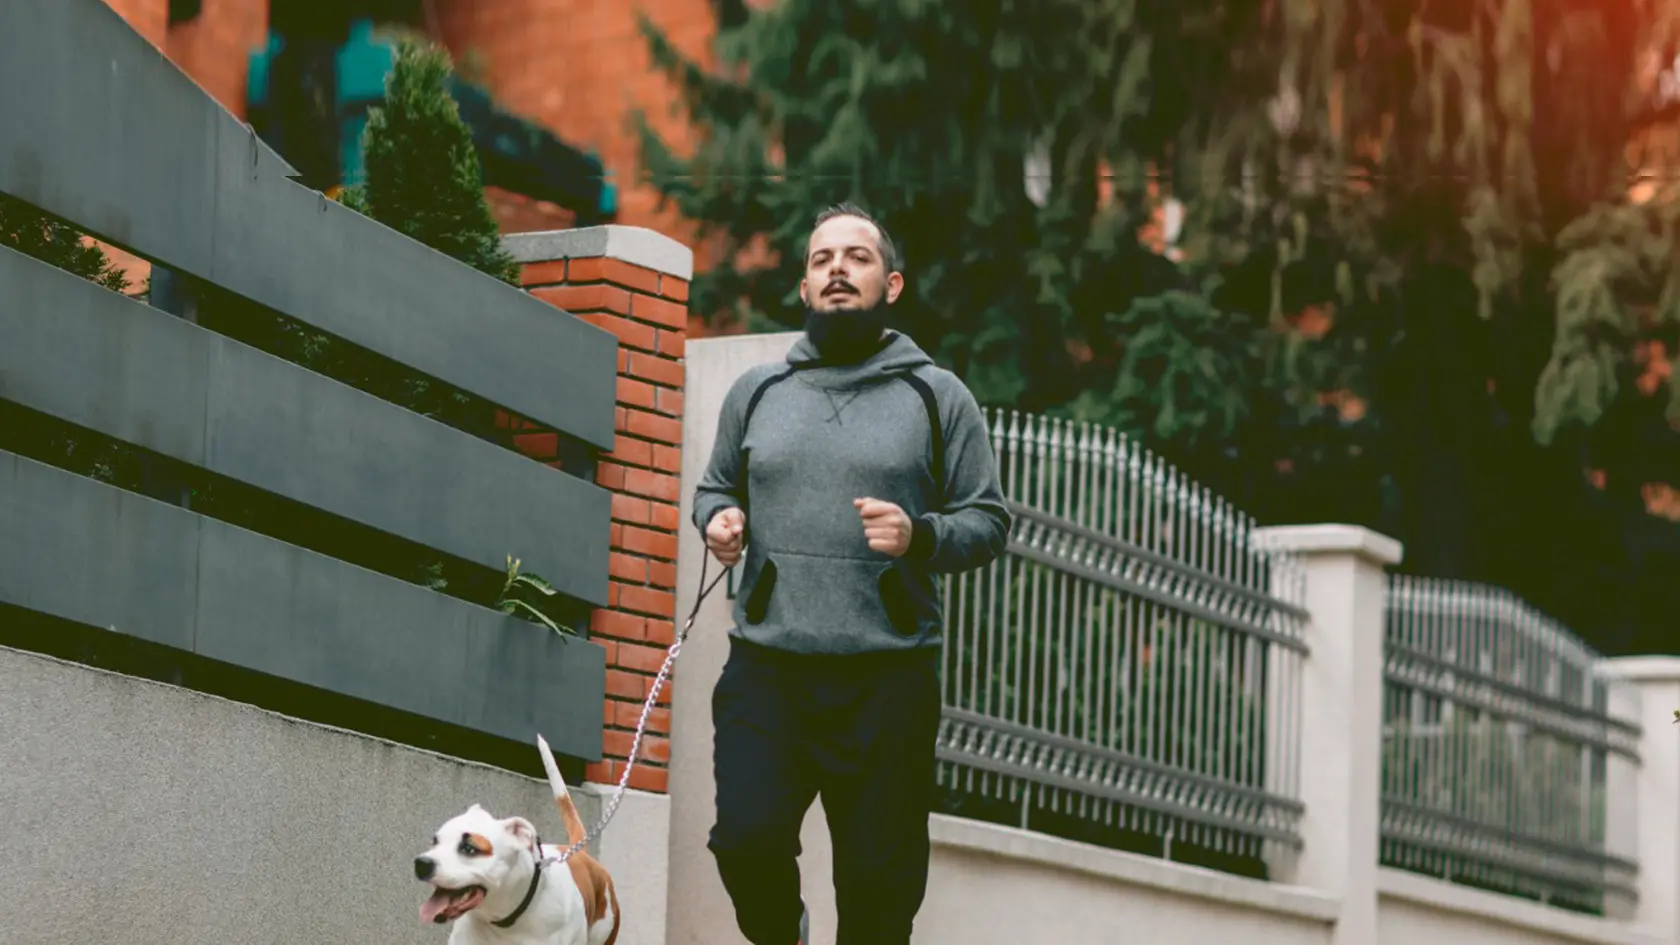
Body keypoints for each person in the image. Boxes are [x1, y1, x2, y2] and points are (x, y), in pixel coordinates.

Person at [691, 203, 1012, 945]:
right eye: (821, 257)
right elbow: (714, 487)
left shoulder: (937, 396)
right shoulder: (758, 392)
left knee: (878, 893)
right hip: (768, 668)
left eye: (857, 256)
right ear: (804, 287)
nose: (837, 267)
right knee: (744, 840)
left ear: (891, 284)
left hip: (887, 678)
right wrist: (718, 520)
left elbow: (989, 521)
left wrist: (919, 534)